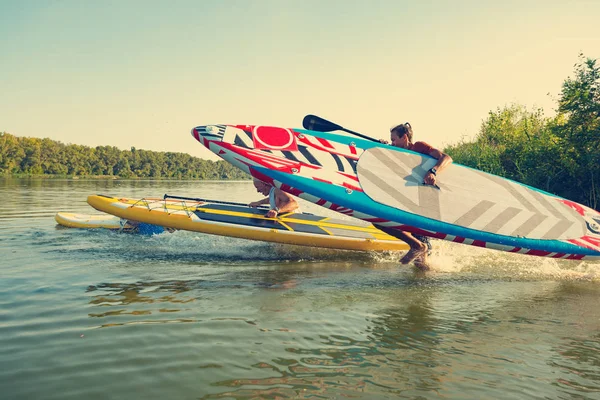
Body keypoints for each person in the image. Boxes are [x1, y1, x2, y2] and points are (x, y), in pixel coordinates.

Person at [379, 122, 453, 270]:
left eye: (394, 139)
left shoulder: (418, 147)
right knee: (379, 221)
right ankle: (418, 248)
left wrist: (433, 171)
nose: (392, 142)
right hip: (407, 203)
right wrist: (384, 147)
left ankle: (429, 276)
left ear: (405, 137)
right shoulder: (396, 152)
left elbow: (446, 158)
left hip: (423, 204)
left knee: (421, 266)